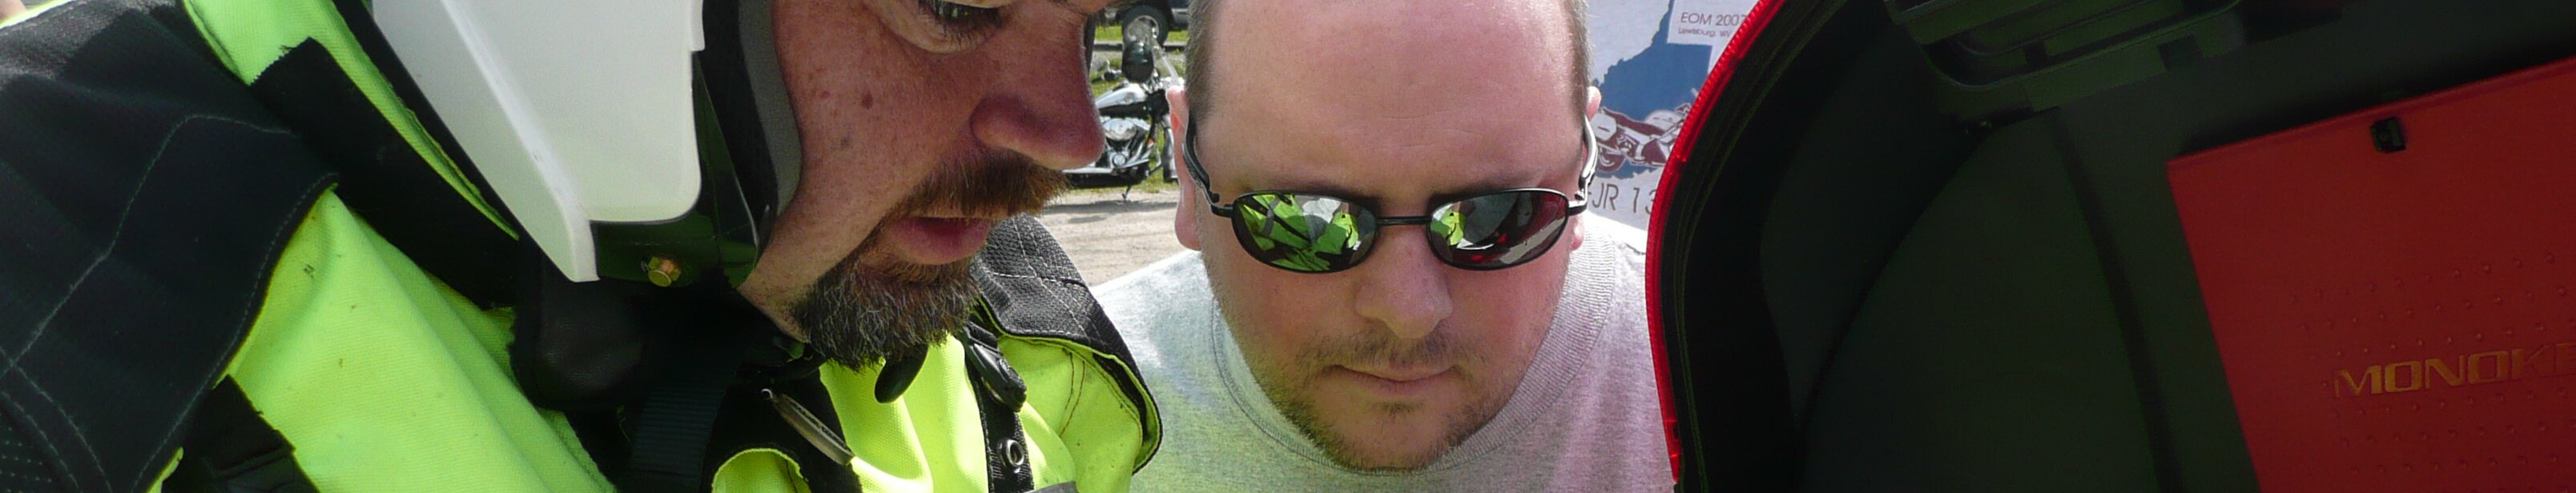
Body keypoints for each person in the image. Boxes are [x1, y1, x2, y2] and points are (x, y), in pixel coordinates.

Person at [0, 0, 1155, 491]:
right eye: (959, 4)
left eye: (1095, 22)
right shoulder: (49, 303)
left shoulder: (969, 283)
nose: (1070, 136)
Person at [1093, 0, 1669, 490]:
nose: (1408, 312)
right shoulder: (1070, 401)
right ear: (1189, 174)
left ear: (1579, 170)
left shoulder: (1708, 368)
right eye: (1307, 220)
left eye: (1498, 215)